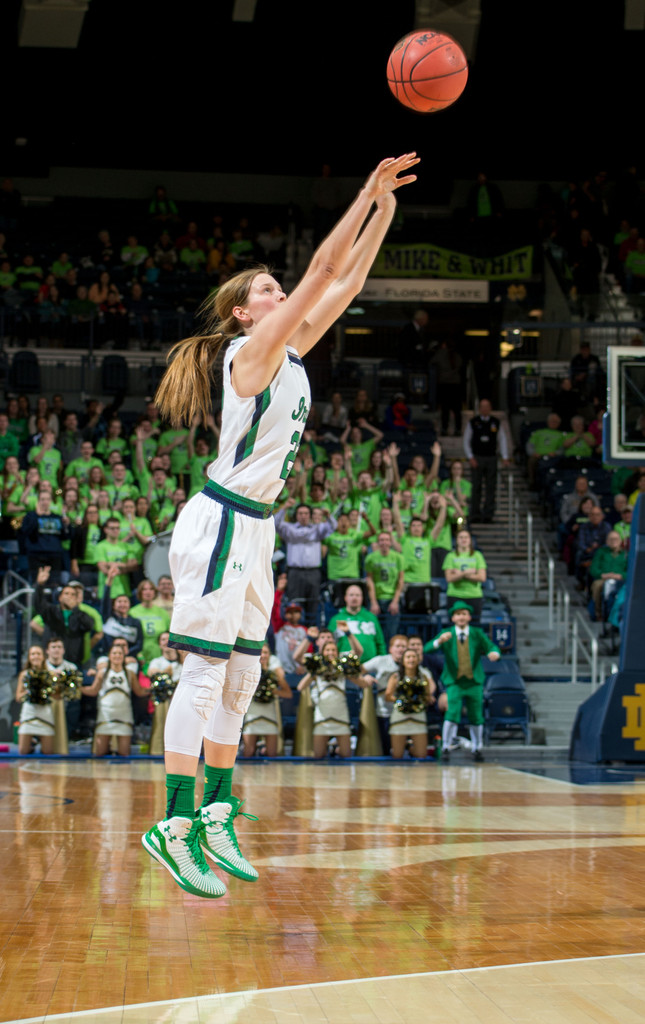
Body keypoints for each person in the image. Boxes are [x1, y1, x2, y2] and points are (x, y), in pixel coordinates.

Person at [140, 153, 420, 898]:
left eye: (276, 287)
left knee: (243, 672)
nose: (279, 293)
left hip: (256, 529)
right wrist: (363, 192)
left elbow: (348, 282)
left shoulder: (288, 349)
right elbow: (324, 269)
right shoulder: (250, 351)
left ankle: (218, 808)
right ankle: (172, 823)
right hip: (221, 522)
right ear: (244, 311)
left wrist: (386, 208)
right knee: (203, 673)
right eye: (267, 289)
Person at [429, 601, 501, 762]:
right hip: (455, 682)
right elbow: (428, 648)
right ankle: (446, 746)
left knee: (476, 715)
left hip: (473, 681)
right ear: (453, 617)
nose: (461, 617)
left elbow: (491, 647)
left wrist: (494, 653)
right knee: (452, 713)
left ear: (469, 617)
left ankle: (477, 747)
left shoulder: (477, 633)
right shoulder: (446, 634)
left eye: (464, 614)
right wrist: (439, 641)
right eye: (458, 614)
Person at [296, 638, 372, 758]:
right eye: (327, 650)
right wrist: (313, 672)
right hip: (322, 717)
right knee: (318, 755)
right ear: (322, 652)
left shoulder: (343, 668)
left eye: (333, 650)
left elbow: (362, 683)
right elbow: (301, 687)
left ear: (337, 652)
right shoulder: (317, 669)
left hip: (341, 715)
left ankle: (334, 750)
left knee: (346, 755)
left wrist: (364, 678)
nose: (330, 652)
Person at [82, 641, 149, 756]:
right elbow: (93, 691)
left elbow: (139, 691)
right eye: (114, 653)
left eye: (120, 653)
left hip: (124, 715)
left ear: (124, 656)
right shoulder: (102, 673)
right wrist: (77, 688)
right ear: (109, 656)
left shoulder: (129, 673)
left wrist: (154, 689)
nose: (117, 656)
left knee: (124, 753)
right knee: (100, 752)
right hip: (105, 715)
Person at [242, 642, 292, 757]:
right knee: (248, 752)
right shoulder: (248, 672)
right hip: (252, 714)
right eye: (260, 652)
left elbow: (288, 694)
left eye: (265, 652)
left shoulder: (274, 675)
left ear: (270, 655)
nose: (263, 655)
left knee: (272, 753)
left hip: (269, 714)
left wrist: (273, 691)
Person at [463, 400, 510, 523]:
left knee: (491, 486)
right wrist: (470, 457)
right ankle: (475, 514)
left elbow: (502, 440)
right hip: (477, 457)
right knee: (476, 486)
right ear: (479, 408)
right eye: (482, 407)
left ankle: (488, 514)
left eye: (486, 406)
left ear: (490, 408)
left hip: (491, 457)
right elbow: (466, 440)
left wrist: (505, 456)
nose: (484, 409)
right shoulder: (473, 422)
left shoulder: (496, 422)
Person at [384, 647, 435, 759]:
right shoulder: (396, 676)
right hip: (400, 717)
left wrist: (424, 700)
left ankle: (411, 749)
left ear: (418, 660)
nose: (411, 659)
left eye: (413, 657)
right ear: (403, 660)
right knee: (397, 755)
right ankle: (407, 746)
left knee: (421, 755)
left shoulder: (423, 677)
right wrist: (402, 701)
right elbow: (388, 696)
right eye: (408, 657)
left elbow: (427, 696)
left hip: (418, 716)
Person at [15, 644, 60, 755]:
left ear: (43, 656)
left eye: (38, 654)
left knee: (48, 752)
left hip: (45, 713)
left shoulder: (50, 674)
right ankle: (32, 744)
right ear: (29, 657)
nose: (36, 656)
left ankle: (37, 741)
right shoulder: (24, 674)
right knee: (23, 751)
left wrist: (56, 685)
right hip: (29, 713)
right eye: (33, 654)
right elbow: (18, 697)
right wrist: (29, 692)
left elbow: (57, 696)